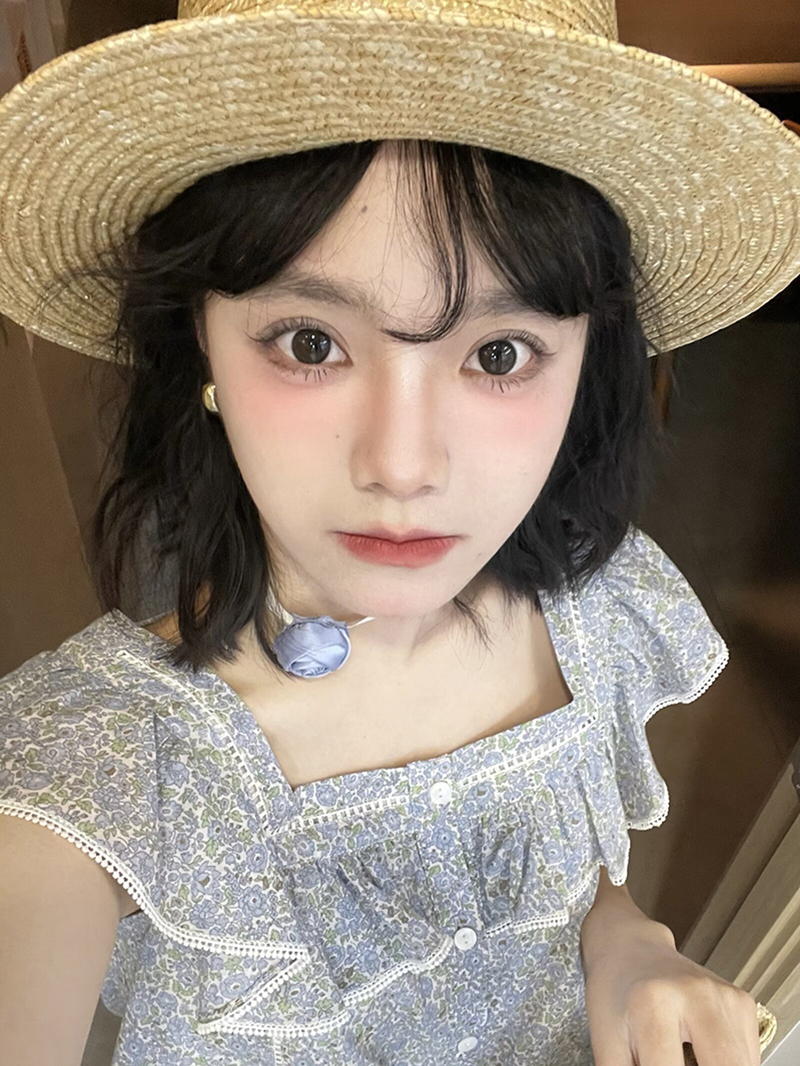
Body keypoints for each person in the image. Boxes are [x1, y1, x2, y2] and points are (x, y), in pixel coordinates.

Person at [0, 1, 796, 1064]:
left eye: (500, 354)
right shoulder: (95, 758)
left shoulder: (593, 609)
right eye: (309, 341)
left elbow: (568, 869)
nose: (404, 467)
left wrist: (625, 941)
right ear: (198, 345)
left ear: (585, 361)